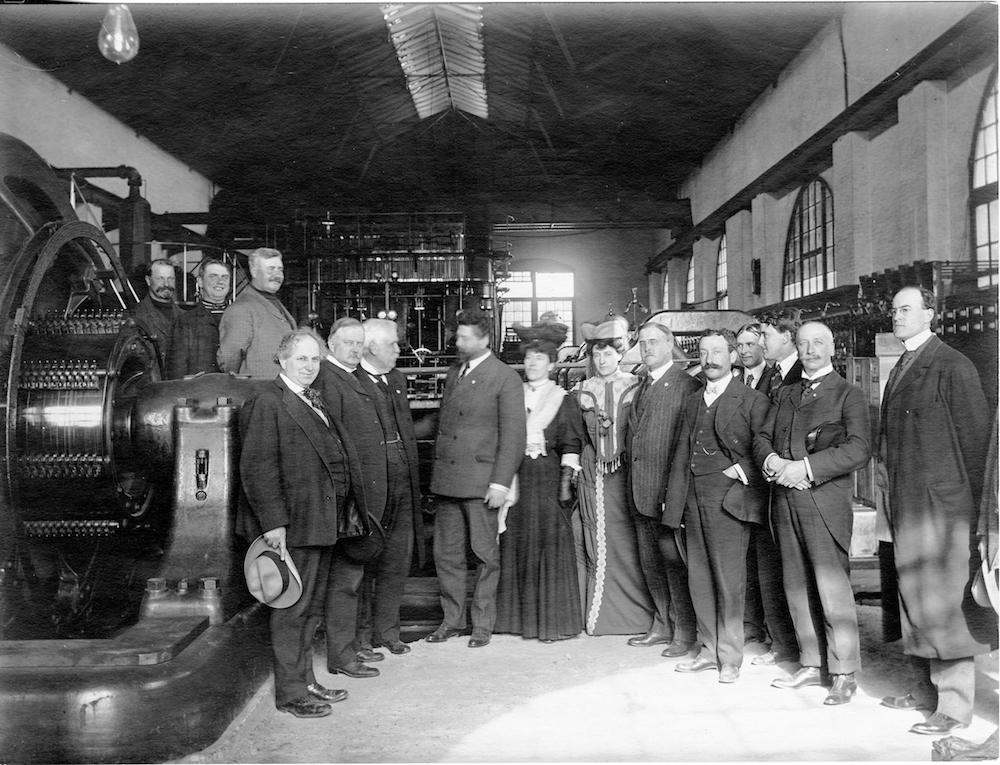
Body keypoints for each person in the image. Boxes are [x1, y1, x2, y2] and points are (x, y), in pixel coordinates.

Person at [878, 286, 996, 735]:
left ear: (931, 313)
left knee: (946, 605)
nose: (898, 316)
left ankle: (954, 705)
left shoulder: (951, 364)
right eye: (894, 309)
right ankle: (923, 689)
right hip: (907, 504)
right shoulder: (903, 364)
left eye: (907, 309)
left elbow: (976, 442)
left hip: (943, 509)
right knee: (913, 595)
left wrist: (969, 516)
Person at [235, 328, 360, 718]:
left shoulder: (311, 399)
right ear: (283, 360)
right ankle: (291, 693)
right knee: (291, 609)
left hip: (320, 521)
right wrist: (274, 525)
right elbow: (257, 468)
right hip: (292, 526)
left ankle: (305, 680)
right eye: (302, 358)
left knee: (309, 608)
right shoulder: (267, 401)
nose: (309, 366)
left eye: (315, 359)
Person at [755, 320, 870, 706]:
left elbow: (858, 449)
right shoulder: (786, 392)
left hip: (823, 503)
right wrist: (771, 459)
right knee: (795, 583)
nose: (811, 349)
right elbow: (762, 437)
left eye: (819, 343)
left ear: (832, 347)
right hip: (785, 501)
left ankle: (843, 671)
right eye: (804, 343)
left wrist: (804, 469)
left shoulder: (848, 394)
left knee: (831, 588)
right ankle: (809, 660)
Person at [668, 329, 770, 683]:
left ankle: (730, 657)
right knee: (699, 578)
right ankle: (708, 649)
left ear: (732, 356)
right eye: (704, 352)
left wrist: (738, 469)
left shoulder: (752, 400)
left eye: (717, 352)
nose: (709, 359)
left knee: (729, 582)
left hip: (729, 501)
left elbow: (763, 450)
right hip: (694, 499)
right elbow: (682, 452)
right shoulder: (694, 400)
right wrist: (675, 503)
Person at [426, 309, 526, 649]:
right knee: (447, 555)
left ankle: (482, 625)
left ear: (484, 339)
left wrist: (500, 483)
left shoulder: (504, 377)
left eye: (465, 337)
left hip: (482, 482)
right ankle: (451, 621)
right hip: (449, 480)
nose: (458, 341)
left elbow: (514, 436)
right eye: (459, 336)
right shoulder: (456, 371)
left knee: (484, 555)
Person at [495, 320, 585, 642]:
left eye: (540, 359)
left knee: (548, 545)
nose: (532, 363)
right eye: (529, 358)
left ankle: (551, 623)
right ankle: (516, 621)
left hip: (546, 480)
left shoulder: (562, 398)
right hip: (516, 478)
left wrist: (564, 487)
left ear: (552, 364)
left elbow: (572, 444)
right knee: (516, 543)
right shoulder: (511, 395)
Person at [573, 316, 654, 635]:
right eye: (596, 354)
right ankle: (599, 615)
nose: (602, 359)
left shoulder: (637, 385)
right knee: (596, 540)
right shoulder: (581, 390)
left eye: (608, 353)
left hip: (628, 474)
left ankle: (637, 615)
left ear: (621, 353)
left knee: (629, 541)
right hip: (594, 476)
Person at [313, 317, 384, 677]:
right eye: (348, 342)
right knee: (344, 580)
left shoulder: (353, 376)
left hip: (364, 493)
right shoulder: (328, 377)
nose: (356, 348)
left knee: (355, 575)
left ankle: (354, 644)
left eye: (360, 343)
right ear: (331, 344)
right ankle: (341, 656)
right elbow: (335, 444)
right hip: (350, 497)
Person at [625, 317, 700, 657]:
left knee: (674, 564)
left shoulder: (685, 385)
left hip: (668, 497)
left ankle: (685, 632)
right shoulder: (642, 384)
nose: (647, 348)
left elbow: (685, 447)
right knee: (651, 564)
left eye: (653, 342)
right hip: (641, 493)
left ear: (670, 345)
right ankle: (661, 623)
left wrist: (676, 497)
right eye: (642, 343)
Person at [352, 318, 421, 656]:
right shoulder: (351, 382)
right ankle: (361, 637)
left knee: (397, 559)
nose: (398, 349)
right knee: (364, 563)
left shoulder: (396, 379)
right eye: (393, 344)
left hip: (403, 485)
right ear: (373, 347)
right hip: (372, 489)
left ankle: (387, 633)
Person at [746, 309, 802, 668]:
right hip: (768, 488)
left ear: (786, 336)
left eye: (765, 335)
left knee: (793, 574)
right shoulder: (771, 375)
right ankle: (781, 643)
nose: (761, 342)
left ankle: (797, 647)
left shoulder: (800, 374)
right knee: (771, 569)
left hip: (795, 488)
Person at [734, 321, 777, 647]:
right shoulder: (734, 380)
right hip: (739, 486)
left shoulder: (775, 381)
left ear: (763, 345)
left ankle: (771, 629)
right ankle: (750, 624)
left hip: (766, 483)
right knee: (745, 559)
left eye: (751, 344)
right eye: (741, 345)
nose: (746, 350)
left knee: (768, 561)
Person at [218, 248, 297, 378]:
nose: (277, 275)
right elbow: (229, 358)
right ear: (254, 272)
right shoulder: (241, 309)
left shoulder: (274, 302)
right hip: (258, 391)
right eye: (271, 269)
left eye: (280, 269)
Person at [166, 258, 231, 378]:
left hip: (235, 392)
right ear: (200, 282)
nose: (220, 281)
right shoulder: (185, 322)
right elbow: (176, 371)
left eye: (225, 277)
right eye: (213, 276)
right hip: (199, 393)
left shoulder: (241, 318)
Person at [132, 258, 181, 372]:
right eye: (160, 278)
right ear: (148, 280)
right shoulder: (136, 316)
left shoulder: (185, 316)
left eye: (170, 279)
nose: (166, 284)